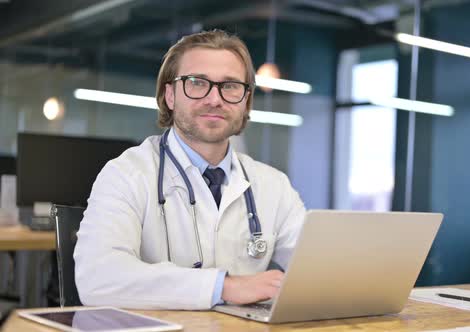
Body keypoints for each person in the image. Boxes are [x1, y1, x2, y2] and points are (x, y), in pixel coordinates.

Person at [73, 29, 306, 310]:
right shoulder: (126, 174)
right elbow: (98, 280)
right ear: (170, 95)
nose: (214, 99)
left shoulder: (273, 185)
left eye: (230, 86)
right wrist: (224, 287)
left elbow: (321, 268)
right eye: (197, 83)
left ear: (246, 101)